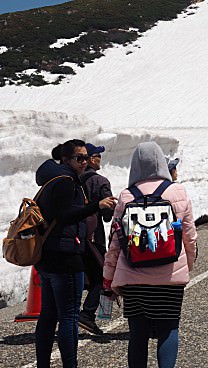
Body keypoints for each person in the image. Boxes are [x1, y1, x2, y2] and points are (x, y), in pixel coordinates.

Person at [103, 141, 197, 368]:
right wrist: (188, 264)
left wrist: (108, 278)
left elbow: (115, 242)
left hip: (134, 278)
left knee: (138, 333)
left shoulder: (126, 196)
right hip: (170, 277)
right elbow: (189, 236)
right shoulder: (178, 191)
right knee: (169, 328)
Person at [35, 139, 117, 368]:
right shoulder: (67, 181)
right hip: (66, 257)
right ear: (66, 159)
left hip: (47, 256)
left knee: (49, 315)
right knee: (68, 317)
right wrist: (96, 206)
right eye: (78, 158)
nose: (84, 162)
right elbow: (65, 215)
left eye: (85, 157)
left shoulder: (52, 179)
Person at [78, 143, 114, 336]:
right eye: (98, 156)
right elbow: (107, 214)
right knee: (101, 275)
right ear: (92, 159)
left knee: (80, 276)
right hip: (93, 236)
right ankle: (88, 315)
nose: (100, 159)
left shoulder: (73, 179)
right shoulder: (100, 182)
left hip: (74, 234)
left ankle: (71, 315)